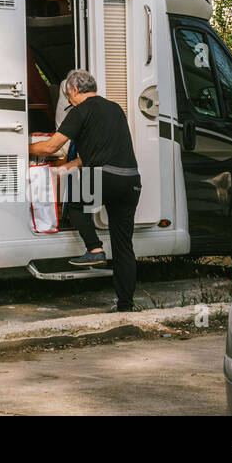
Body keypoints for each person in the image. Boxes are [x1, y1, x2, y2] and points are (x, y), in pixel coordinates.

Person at [28, 69, 142, 312]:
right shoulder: (114, 109)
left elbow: (50, 146)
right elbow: (97, 153)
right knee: (124, 247)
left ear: (75, 90)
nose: (68, 99)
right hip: (130, 181)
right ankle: (125, 306)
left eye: (68, 95)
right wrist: (66, 167)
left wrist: (20, 147)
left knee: (75, 202)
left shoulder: (80, 111)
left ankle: (95, 249)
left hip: (104, 178)